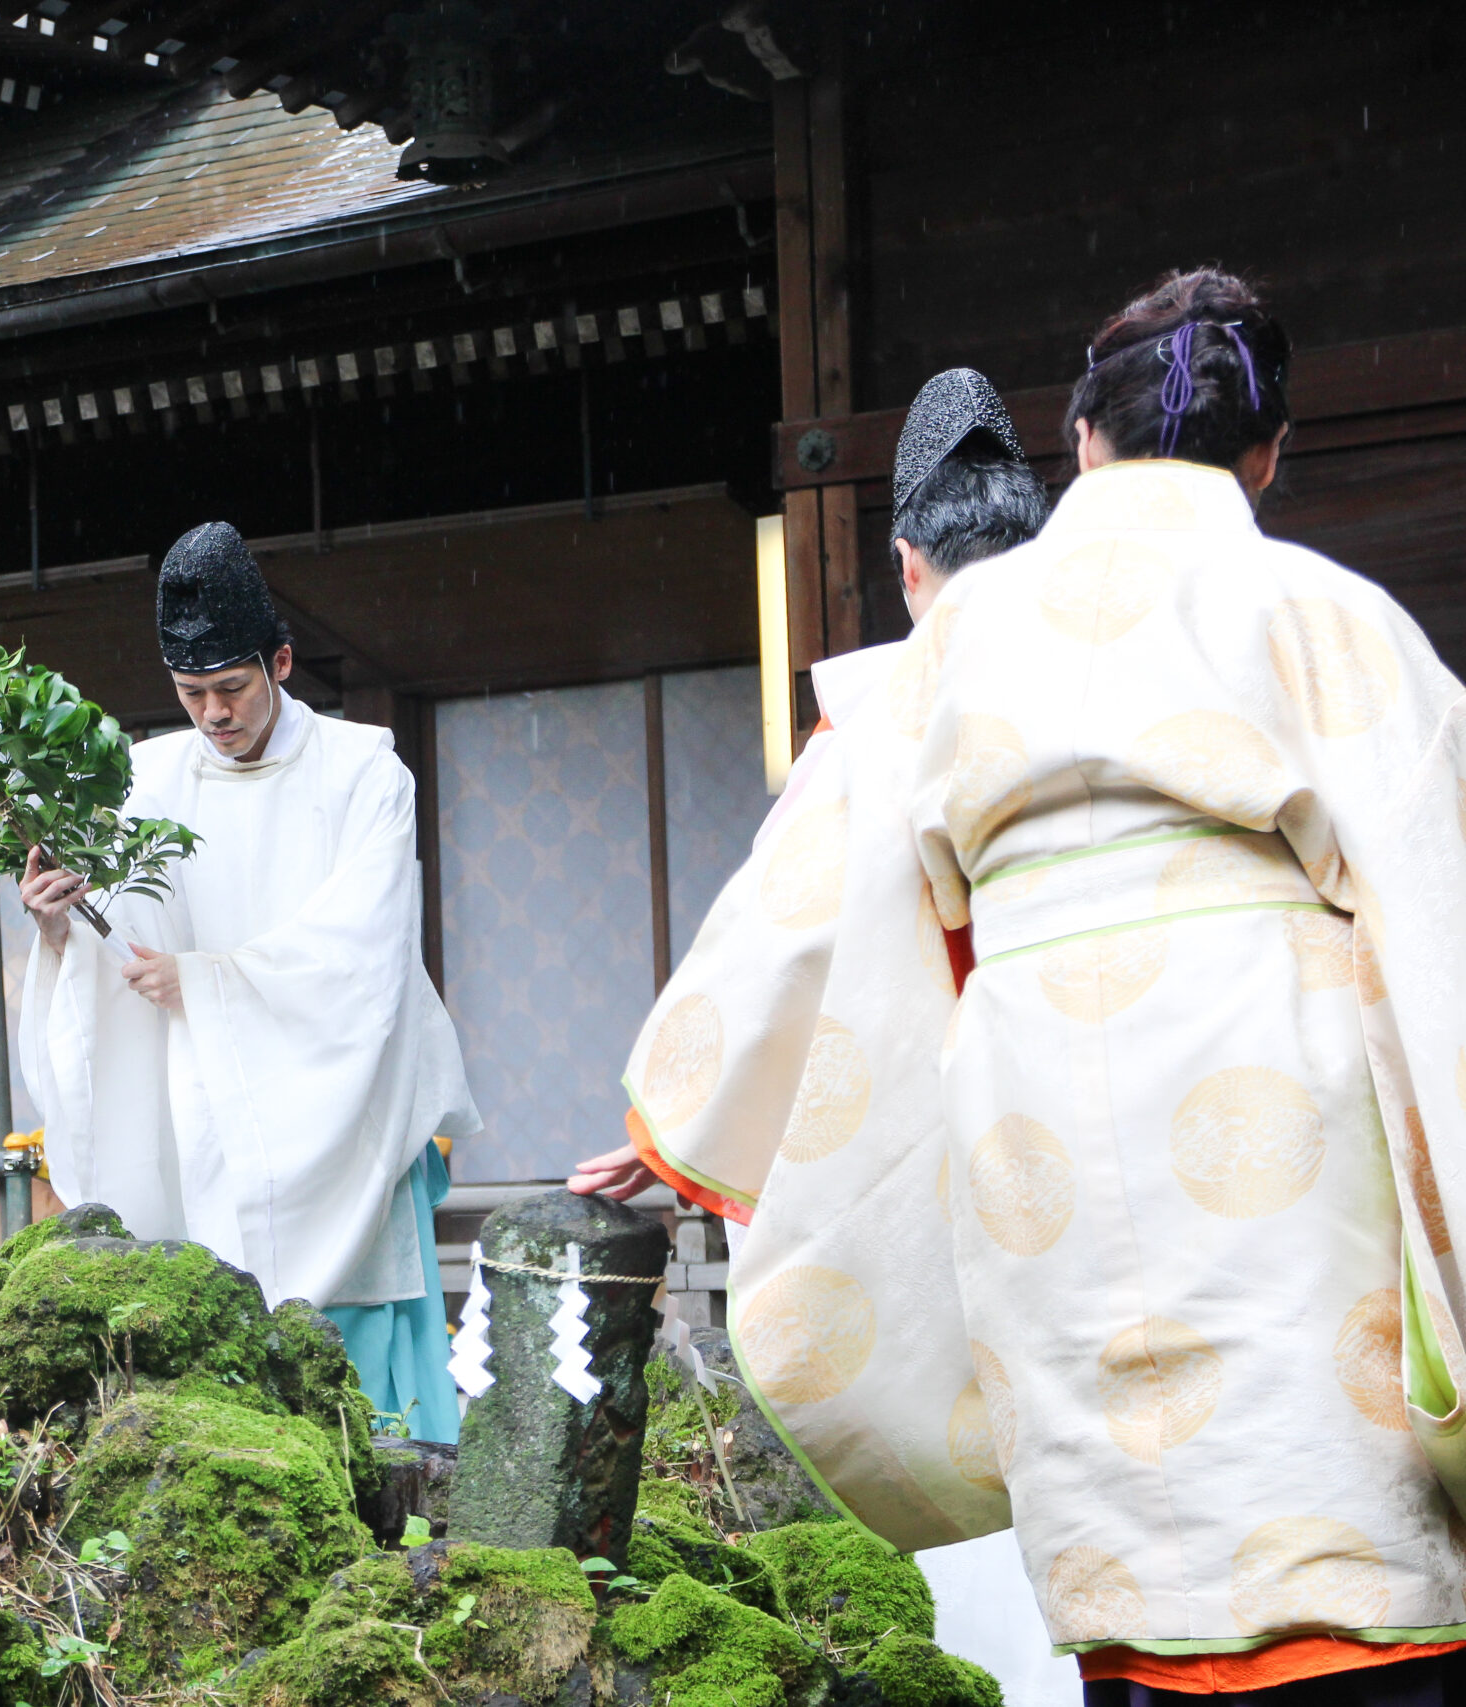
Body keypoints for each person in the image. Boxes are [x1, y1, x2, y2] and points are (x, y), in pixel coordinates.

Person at [598, 266, 1466, 1705]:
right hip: (1285, 1101)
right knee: (1325, 1490)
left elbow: (804, 910)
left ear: (1081, 443)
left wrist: (676, 1116)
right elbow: (1439, 894)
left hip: (1044, 1118)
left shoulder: (956, 645)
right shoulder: (1331, 612)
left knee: (1135, 1525)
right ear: (1268, 456)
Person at [572, 369, 1078, 1705]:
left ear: (909, 563)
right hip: (1117, 1137)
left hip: (958, 1156)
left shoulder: (876, 728)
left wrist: (663, 1132)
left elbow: (776, 947)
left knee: (980, 1417)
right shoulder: (1120, 685)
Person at [17, 520, 481, 1444]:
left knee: (364, 1366)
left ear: (280, 661)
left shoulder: (363, 773)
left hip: (338, 1097)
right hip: (201, 1107)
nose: (213, 714)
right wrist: (58, 921)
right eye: (190, 693)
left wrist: (210, 984)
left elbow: (365, 952)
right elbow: (123, 949)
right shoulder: (141, 780)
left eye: (231, 688)